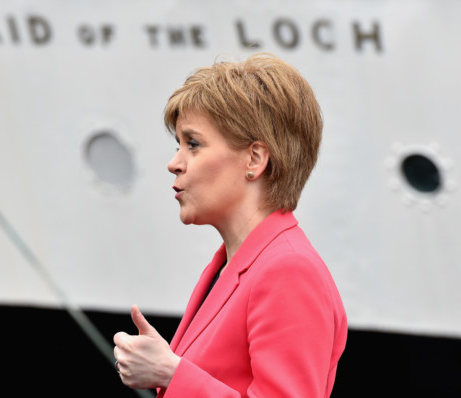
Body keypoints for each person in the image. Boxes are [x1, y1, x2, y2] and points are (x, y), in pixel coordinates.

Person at [113, 53, 347, 397]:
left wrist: (171, 372)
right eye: (178, 144)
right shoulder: (234, 264)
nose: (174, 163)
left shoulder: (288, 270)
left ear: (254, 159)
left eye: (193, 144)